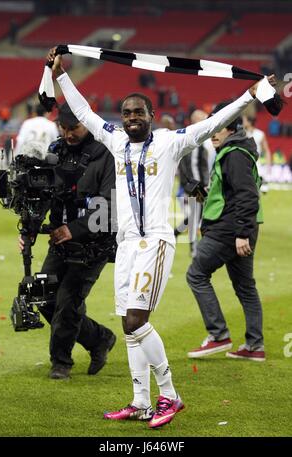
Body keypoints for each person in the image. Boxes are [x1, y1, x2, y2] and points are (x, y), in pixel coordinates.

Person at [47, 46, 275, 427]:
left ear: (152, 117)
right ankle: (140, 401)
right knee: (128, 326)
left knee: (137, 320)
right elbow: (84, 111)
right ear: (121, 118)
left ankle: (169, 395)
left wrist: (248, 96)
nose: (133, 117)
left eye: (140, 112)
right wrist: (60, 75)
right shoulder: (116, 140)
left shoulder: (170, 142)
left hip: (155, 242)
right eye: (128, 112)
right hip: (125, 244)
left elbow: (213, 121)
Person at [19, 102, 117, 379]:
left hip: (94, 244)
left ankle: (60, 363)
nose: (68, 133)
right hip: (59, 240)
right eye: (63, 127)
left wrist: (74, 229)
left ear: (87, 123)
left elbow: (110, 203)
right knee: (43, 297)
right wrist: (28, 229)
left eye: (73, 127)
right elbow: (43, 195)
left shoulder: (106, 154)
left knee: (67, 302)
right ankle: (99, 338)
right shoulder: (56, 150)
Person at [186, 102, 265, 362]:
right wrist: (203, 194)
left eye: (217, 127)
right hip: (240, 227)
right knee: (245, 287)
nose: (213, 133)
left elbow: (246, 195)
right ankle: (254, 347)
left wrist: (242, 232)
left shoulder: (234, 153)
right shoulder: (239, 150)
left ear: (231, 127)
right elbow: (233, 195)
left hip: (230, 229)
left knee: (196, 274)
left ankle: (218, 334)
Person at [175, 110, 210, 256]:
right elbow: (184, 166)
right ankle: (194, 249)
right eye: (202, 119)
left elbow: (203, 165)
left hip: (200, 184)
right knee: (197, 216)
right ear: (194, 120)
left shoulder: (200, 140)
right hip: (194, 185)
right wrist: (188, 185)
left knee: (196, 215)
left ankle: (176, 233)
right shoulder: (188, 140)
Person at [243, 114, 272, 191]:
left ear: (249, 122)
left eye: (244, 120)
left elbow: (266, 150)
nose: (243, 122)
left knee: (255, 189)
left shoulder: (260, 134)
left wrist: (268, 165)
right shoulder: (242, 134)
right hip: (243, 162)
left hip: (256, 163)